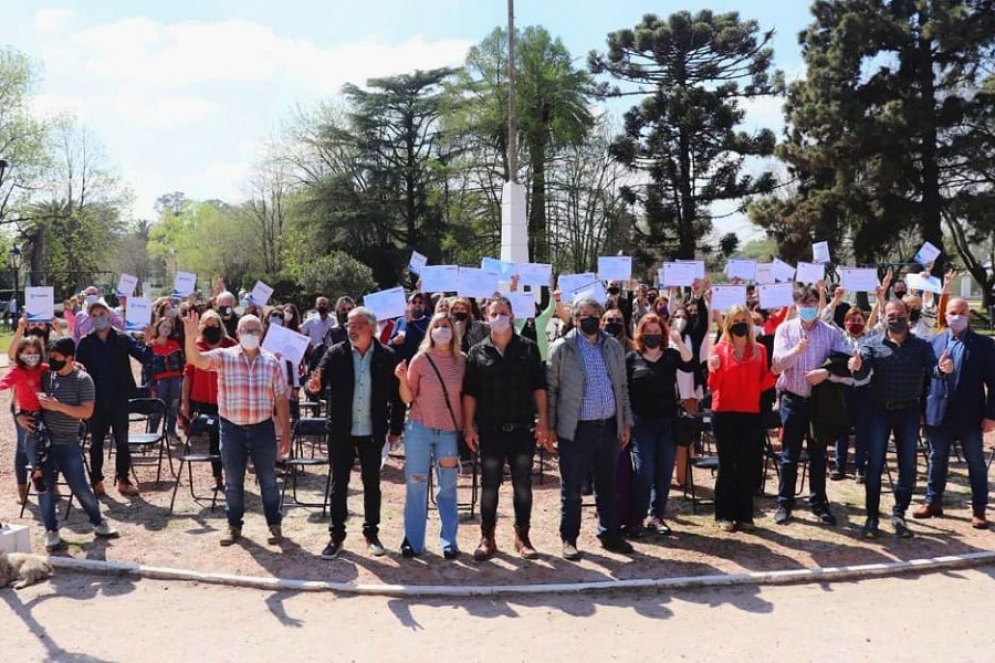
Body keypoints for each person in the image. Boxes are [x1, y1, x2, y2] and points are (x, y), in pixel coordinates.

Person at [182, 312, 292, 547]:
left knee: (269, 481)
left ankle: (275, 524)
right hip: (231, 429)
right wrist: (190, 338)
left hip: (263, 429)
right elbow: (196, 360)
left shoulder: (271, 362)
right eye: (245, 330)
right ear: (237, 333)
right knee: (232, 482)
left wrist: (286, 433)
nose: (250, 334)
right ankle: (233, 526)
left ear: (261, 333)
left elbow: (281, 399)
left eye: (254, 330)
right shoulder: (224, 357)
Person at [848, 299, 954, 538]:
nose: (896, 319)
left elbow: (934, 370)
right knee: (875, 465)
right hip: (879, 411)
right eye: (891, 316)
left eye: (900, 315)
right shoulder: (872, 344)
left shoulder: (921, 345)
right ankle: (872, 517)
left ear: (908, 315)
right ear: (884, 318)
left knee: (907, 466)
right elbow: (862, 374)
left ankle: (899, 514)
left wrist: (943, 369)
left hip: (908, 412)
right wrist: (856, 366)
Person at [307, 307, 405, 560]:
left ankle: (371, 534)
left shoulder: (386, 356)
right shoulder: (335, 353)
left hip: (372, 431)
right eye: (349, 325)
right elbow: (315, 382)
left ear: (371, 328)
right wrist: (313, 387)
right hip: (341, 431)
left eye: (357, 325)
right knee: (339, 485)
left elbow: (397, 398)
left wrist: (395, 429)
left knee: (372, 485)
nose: (352, 330)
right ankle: (336, 536)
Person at [463, 296, 550, 561]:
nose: (499, 317)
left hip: (522, 429)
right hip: (490, 429)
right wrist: (468, 426)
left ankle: (522, 537)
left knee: (523, 485)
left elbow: (539, 386)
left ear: (512, 315)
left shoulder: (528, 348)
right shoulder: (477, 352)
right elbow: (470, 393)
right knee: (489, 485)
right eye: (494, 313)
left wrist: (544, 420)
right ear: (486, 318)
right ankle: (487, 537)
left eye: (503, 312)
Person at [548, 296, 634, 559]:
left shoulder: (613, 347)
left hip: (608, 427)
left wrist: (625, 422)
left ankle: (609, 533)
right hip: (576, 429)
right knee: (572, 488)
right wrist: (550, 427)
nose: (590, 319)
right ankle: (569, 538)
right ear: (575, 319)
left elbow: (622, 387)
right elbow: (552, 390)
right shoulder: (562, 348)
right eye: (584, 314)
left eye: (594, 314)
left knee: (607, 485)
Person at [27, 337, 119, 551]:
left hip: (67, 442)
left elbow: (86, 412)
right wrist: (21, 416)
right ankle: (51, 530)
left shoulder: (83, 380)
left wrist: (58, 407)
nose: (52, 360)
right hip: (42, 442)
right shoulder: (46, 375)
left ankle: (98, 521)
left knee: (80, 486)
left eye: (57, 357)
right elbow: (22, 386)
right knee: (44, 488)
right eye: (50, 356)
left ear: (70, 358)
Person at [771, 286, 852, 526]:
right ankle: (785, 503)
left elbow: (843, 364)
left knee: (818, 455)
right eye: (804, 303)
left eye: (812, 303)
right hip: (793, 399)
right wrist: (796, 351)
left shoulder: (830, 332)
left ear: (818, 304)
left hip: (820, 401)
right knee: (789, 455)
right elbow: (776, 366)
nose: (808, 308)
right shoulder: (785, 329)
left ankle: (819, 503)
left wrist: (825, 373)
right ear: (796, 305)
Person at [916, 297, 995, 528]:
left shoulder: (984, 345)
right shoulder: (934, 342)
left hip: (970, 415)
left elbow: (993, 382)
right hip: (938, 413)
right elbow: (924, 380)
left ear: (968, 315)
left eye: (961, 312)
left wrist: (991, 415)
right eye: (952, 312)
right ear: (945, 315)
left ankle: (979, 509)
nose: (956, 317)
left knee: (976, 462)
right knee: (937, 458)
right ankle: (933, 502)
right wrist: (921, 411)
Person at [394, 312, 465, 559]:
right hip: (419, 430)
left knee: (448, 487)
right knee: (416, 485)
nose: (442, 330)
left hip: (449, 432)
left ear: (454, 331)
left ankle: (449, 541)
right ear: (430, 331)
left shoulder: (462, 361)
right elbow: (408, 397)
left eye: (446, 326)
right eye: (437, 325)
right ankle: (413, 542)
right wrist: (402, 379)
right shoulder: (420, 359)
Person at [624, 313, 695, 536]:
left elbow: (689, 364)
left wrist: (679, 342)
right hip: (641, 423)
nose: (652, 336)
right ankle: (637, 518)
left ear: (662, 334)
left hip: (667, 422)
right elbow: (624, 392)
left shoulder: (671, 355)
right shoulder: (631, 359)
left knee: (664, 471)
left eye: (656, 332)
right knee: (643, 471)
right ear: (641, 334)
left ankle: (656, 516)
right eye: (648, 332)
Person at [707, 305, 776, 531]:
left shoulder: (760, 351)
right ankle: (723, 514)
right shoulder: (719, 349)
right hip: (724, 413)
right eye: (735, 321)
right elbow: (713, 386)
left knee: (747, 465)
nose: (740, 325)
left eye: (744, 321)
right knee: (727, 464)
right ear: (728, 324)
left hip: (750, 413)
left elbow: (762, 384)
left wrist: (775, 373)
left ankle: (745, 515)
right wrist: (715, 369)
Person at [75, 299, 152, 497]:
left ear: (108, 315)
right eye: (94, 315)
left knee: (122, 441)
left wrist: (149, 341)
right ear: (90, 319)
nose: (98, 318)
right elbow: (77, 370)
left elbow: (144, 357)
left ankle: (123, 480)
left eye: (102, 314)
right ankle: (96, 481)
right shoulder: (85, 342)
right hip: (95, 399)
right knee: (96, 442)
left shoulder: (122, 338)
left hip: (119, 397)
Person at [180, 310, 236, 492]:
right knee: (214, 440)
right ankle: (218, 478)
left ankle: (233, 477)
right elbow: (188, 375)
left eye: (215, 324)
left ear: (220, 325)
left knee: (230, 440)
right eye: (208, 324)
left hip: (229, 399)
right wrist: (185, 402)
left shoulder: (231, 345)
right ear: (202, 326)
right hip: (205, 401)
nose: (212, 327)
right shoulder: (196, 346)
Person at [148, 315, 185, 442]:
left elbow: (181, 363)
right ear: (158, 327)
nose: (166, 330)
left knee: (174, 405)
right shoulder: (151, 345)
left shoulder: (175, 344)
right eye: (164, 326)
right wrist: (151, 385)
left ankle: (171, 433)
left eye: (169, 328)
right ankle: (152, 435)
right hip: (159, 381)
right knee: (157, 407)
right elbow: (148, 368)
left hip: (175, 379)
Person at [390, 292, 430, 361]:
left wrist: (411, 323)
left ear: (424, 306)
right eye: (414, 302)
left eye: (420, 302)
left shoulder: (429, 321)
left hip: (420, 362)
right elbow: (389, 343)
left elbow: (426, 340)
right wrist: (394, 341)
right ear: (408, 305)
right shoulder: (400, 320)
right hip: (400, 363)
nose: (417, 304)